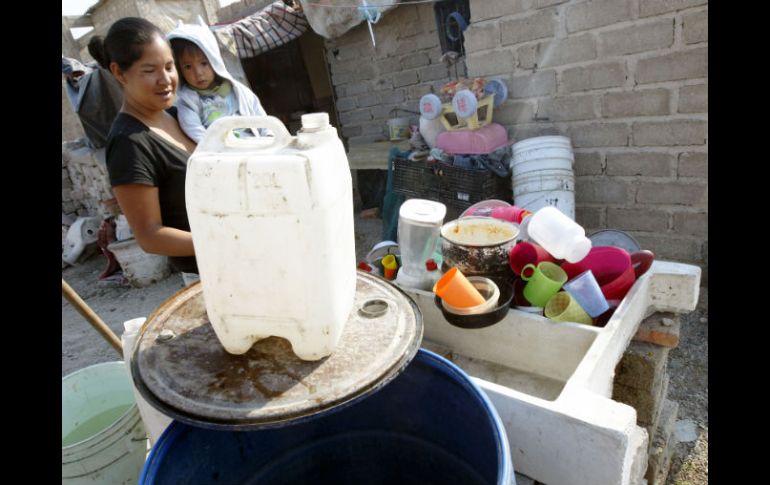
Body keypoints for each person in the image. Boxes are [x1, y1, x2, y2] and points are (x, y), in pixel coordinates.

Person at [95, 17, 198, 281]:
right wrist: (220, 241)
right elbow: (150, 236)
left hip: (239, 258)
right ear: (119, 73)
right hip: (206, 276)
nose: (165, 80)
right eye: (149, 70)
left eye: (169, 66)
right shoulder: (129, 143)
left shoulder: (178, 115)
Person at [167, 17, 270, 143]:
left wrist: (269, 138)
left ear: (215, 60)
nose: (198, 73)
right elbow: (195, 131)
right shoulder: (187, 102)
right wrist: (221, 149)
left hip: (255, 147)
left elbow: (262, 120)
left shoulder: (238, 91)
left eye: (204, 63)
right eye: (188, 67)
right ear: (179, 69)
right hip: (220, 154)